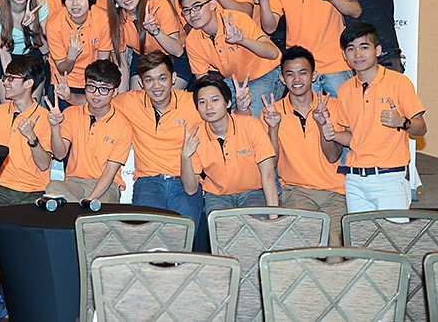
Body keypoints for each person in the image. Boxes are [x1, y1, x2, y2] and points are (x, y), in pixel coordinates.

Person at [321, 23, 426, 213]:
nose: (357, 54)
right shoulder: (344, 90)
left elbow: (421, 128)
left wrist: (402, 122)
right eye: (351, 49)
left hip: (390, 178)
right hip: (354, 179)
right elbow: (352, 137)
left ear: (377, 50)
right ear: (344, 55)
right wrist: (332, 134)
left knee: (391, 232)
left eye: (364, 47)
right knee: (358, 233)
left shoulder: (399, 82)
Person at [0, 55, 52, 322]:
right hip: (1, 185)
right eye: (5, 77)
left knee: (24, 243)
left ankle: (23, 300)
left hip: (33, 189)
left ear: (29, 83)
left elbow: (44, 164)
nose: (5, 82)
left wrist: (32, 138)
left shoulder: (43, 117)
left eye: (11, 78)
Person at [112, 52, 204, 242]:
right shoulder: (129, 102)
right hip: (149, 182)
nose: (156, 86)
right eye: (149, 80)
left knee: (183, 238)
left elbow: (222, 121)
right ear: (141, 83)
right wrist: (69, 96)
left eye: (162, 78)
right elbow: (98, 105)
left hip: (185, 181)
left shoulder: (193, 103)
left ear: (173, 78)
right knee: (147, 237)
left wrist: (242, 108)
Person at [260, 46, 346, 245]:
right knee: (305, 244)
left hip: (335, 192)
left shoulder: (332, 106)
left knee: (336, 246)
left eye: (303, 73)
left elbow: (333, 156)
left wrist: (323, 124)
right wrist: (273, 127)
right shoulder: (272, 112)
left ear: (314, 76)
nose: (296, 79)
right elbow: (271, 162)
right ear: (282, 79)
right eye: (290, 74)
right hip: (297, 192)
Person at [180, 74, 278, 211]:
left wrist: (273, 217)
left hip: (253, 192)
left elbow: (268, 176)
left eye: (214, 100)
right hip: (217, 196)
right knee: (222, 224)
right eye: (202, 102)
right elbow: (191, 189)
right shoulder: (195, 136)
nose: (208, 107)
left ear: (228, 103)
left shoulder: (252, 125)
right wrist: (185, 157)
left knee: (255, 222)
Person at [178, 0, 281, 114]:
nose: (192, 14)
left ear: (212, 4)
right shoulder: (192, 40)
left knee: (249, 118)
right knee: (212, 113)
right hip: (233, 82)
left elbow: (273, 53)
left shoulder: (236, 19)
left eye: (197, 7)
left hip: (266, 74)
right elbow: (203, 80)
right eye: (186, 10)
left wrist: (242, 40)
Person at [46, 60, 132, 205]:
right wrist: (54, 126)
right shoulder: (71, 113)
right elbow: (59, 155)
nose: (96, 94)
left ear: (115, 92)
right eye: (91, 87)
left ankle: (80, 211)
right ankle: (83, 211)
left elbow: (109, 173)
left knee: (103, 204)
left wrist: (89, 201)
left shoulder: (123, 126)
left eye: (104, 89)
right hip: (74, 183)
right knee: (53, 187)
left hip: (107, 186)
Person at [105, 0, 187, 89]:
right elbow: (122, 65)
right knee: (136, 98)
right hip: (144, 59)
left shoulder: (158, 4)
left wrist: (155, 31)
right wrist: (123, 96)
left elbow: (177, 51)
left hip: (173, 59)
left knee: (159, 94)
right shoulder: (117, 20)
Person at [46, 0, 114, 106]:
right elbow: (61, 69)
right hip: (64, 82)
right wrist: (71, 58)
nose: (75, 3)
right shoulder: (54, 24)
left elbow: (102, 62)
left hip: (93, 80)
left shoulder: (103, 19)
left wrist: (93, 88)